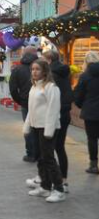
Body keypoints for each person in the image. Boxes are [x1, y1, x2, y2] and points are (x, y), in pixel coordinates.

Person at [23, 59, 65, 203]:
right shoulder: (34, 87)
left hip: (47, 127)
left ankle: (59, 188)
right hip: (36, 126)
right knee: (40, 157)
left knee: (48, 158)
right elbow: (31, 109)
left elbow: (53, 109)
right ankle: (45, 186)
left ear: (45, 71)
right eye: (32, 69)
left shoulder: (51, 87)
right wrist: (27, 125)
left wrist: (49, 129)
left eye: (37, 69)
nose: (34, 72)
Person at [37, 50, 74, 189]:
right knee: (59, 147)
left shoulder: (51, 76)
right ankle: (63, 179)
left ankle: (51, 180)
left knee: (47, 149)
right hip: (65, 113)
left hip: (54, 115)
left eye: (42, 59)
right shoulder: (64, 71)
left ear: (49, 61)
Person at [9, 46, 38, 162]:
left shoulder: (17, 69)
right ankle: (40, 153)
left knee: (28, 128)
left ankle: (30, 154)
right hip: (40, 102)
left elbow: (12, 88)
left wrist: (20, 100)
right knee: (40, 128)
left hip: (26, 102)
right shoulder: (41, 67)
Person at [73, 51, 99, 174]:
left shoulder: (85, 76)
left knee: (92, 139)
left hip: (91, 113)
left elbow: (78, 95)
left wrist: (82, 105)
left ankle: (93, 165)